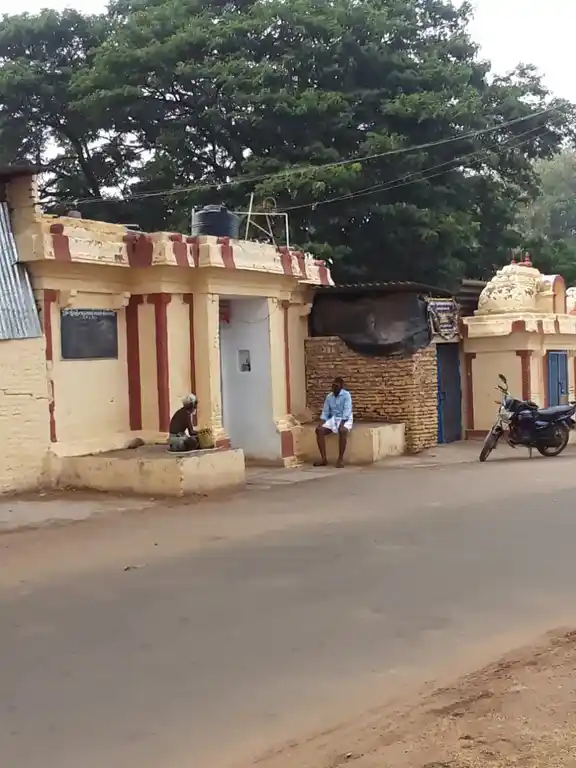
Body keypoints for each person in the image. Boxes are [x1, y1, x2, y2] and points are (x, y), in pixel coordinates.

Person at [315, 377, 353, 468]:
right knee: (319, 430)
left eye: (336, 386)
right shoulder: (329, 397)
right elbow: (325, 412)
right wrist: (321, 422)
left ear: (341, 387)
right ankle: (323, 459)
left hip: (345, 418)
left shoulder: (346, 395)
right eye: (333, 386)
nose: (334, 388)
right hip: (334, 418)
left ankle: (340, 459)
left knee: (342, 430)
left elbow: (347, 410)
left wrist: (342, 423)